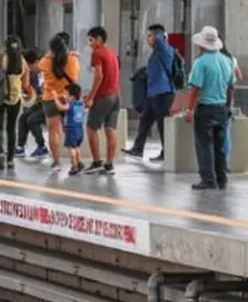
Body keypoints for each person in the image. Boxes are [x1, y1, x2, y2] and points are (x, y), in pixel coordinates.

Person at [184, 26, 234, 190]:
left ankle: (208, 179)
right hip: (222, 108)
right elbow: (231, 87)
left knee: (204, 145)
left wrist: (189, 110)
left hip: (205, 109)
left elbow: (194, 88)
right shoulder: (227, 60)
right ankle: (222, 179)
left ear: (202, 44)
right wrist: (227, 106)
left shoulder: (201, 62)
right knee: (220, 146)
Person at [123, 24, 176, 161]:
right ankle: (138, 149)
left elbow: (159, 38)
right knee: (145, 120)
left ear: (158, 36)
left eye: (150, 36)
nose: (148, 39)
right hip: (153, 94)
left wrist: (159, 34)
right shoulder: (156, 53)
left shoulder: (164, 49)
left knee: (162, 124)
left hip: (163, 93)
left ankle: (167, 152)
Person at [38, 34, 80, 171]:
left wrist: (49, 54)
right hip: (68, 98)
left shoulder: (45, 61)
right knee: (70, 130)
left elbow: (39, 67)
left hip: (50, 99)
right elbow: (75, 79)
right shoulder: (73, 59)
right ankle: (75, 161)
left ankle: (56, 163)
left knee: (53, 132)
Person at [83, 26, 121, 175]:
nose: (89, 43)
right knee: (111, 129)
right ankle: (109, 164)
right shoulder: (111, 52)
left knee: (91, 128)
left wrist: (91, 97)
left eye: (91, 40)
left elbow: (99, 76)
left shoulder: (97, 53)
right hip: (116, 96)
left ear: (99, 39)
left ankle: (97, 161)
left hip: (103, 97)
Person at [0, 36, 31, 170]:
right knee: (11, 129)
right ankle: (11, 160)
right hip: (15, 98)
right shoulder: (23, 62)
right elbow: (26, 84)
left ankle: (1, 152)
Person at [14, 50, 47, 159]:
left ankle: (42, 147)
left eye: (28, 66)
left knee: (32, 120)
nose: (26, 69)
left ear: (36, 62)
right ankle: (20, 147)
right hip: (41, 104)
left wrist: (42, 96)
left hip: (51, 105)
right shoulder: (31, 75)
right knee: (23, 118)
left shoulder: (46, 72)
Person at [219, 38, 242, 166]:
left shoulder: (207, 60)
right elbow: (239, 76)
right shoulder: (231, 59)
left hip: (213, 99)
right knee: (225, 131)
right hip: (228, 99)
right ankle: (225, 163)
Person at [56, 83, 86, 175]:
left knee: (71, 149)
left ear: (72, 97)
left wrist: (55, 99)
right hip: (80, 129)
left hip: (71, 130)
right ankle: (80, 162)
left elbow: (61, 108)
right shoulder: (81, 103)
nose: (65, 96)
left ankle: (74, 166)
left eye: (66, 95)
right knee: (76, 147)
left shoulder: (70, 104)